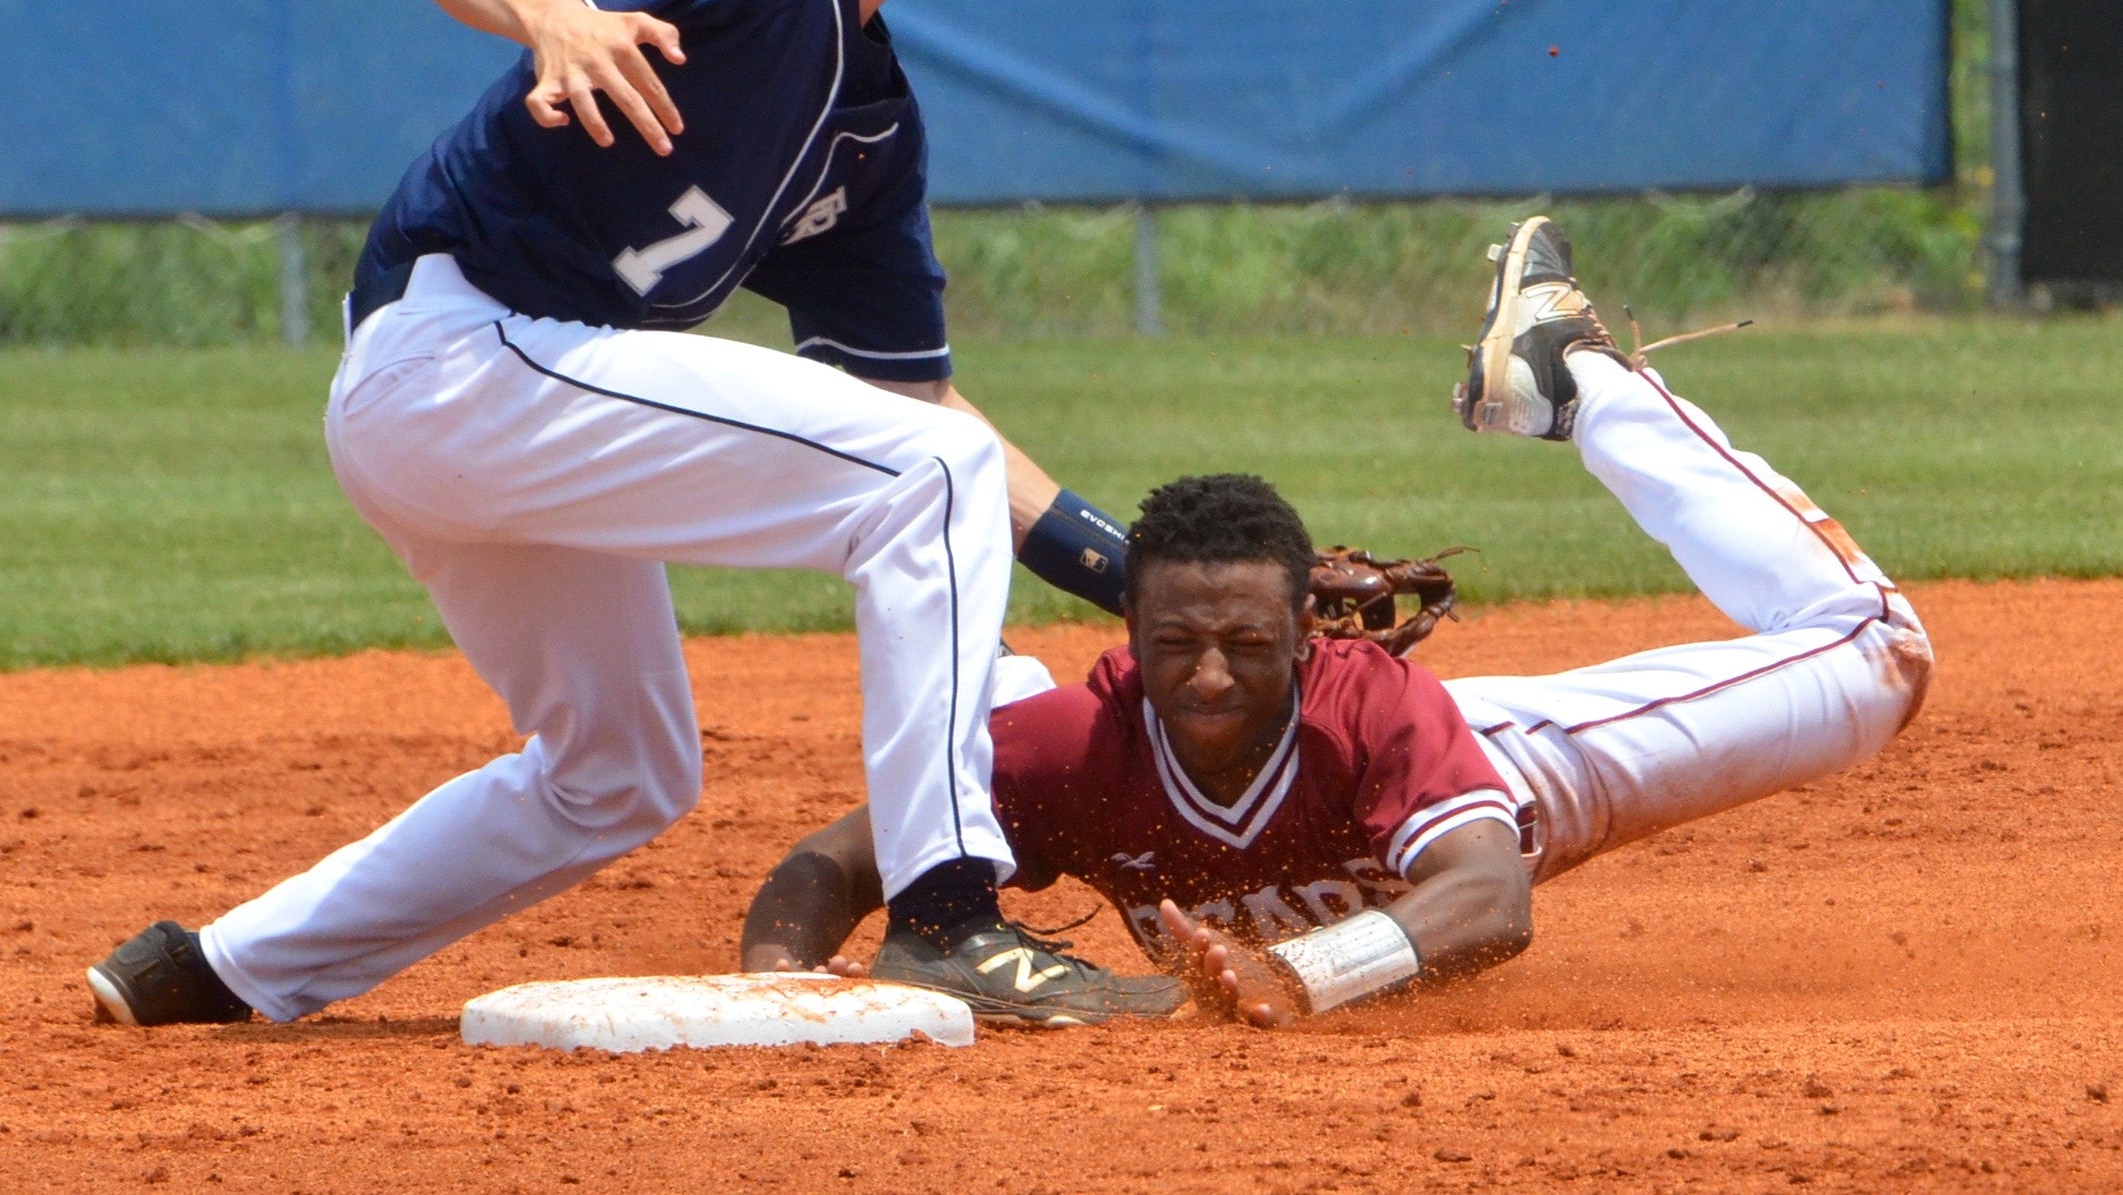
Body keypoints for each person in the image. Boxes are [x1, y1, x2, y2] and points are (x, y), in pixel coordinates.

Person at [85, 0, 1170, 1029]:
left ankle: (219, 971)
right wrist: (550, 14)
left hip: (510, 408)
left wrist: (1136, 576)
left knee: (618, 773)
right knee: (921, 477)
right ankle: (946, 917)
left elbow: (913, 398)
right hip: (455, 356)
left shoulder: (867, 124)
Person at [742, 217, 1933, 1026]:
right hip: (1269, 786)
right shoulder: (1075, 744)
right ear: (1130, 646)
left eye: (1247, 647)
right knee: (979, 719)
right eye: (1175, 647)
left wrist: (1299, 977)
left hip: (1510, 772)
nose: (1207, 678)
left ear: (1305, 645)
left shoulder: (1369, 708)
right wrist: (777, 989)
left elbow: (1488, 897)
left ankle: (1573, 380)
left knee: (1877, 653)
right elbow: (834, 861)